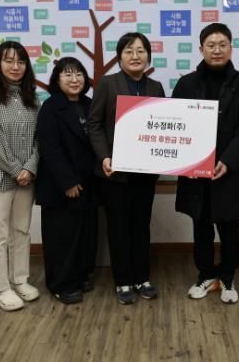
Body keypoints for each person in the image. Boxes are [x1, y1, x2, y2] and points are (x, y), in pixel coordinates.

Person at [172, 23, 239, 304]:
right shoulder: (186, 84)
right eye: (211, 45)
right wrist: (183, 160)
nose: (217, 50)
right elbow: (175, 124)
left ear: (231, 47)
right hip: (195, 171)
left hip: (229, 170)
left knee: (229, 226)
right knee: (200, 225)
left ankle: (228, 276)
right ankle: (206, 274)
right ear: (201, 49)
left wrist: (228, 159)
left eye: (222, 44)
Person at [88, 32, 166, 305]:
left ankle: (142, 277)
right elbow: (94, 124)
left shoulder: (155, 87)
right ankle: (122, 280)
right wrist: (104, 156)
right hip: (115, 173)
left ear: (148, 56)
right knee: (118, 227)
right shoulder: (107, 84)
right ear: (119, 57)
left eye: (141, 51)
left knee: (141, 226)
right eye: (129, 51)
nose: (135, 56)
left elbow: (162, 126)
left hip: (145, 173)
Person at [0, 41, 39, 311]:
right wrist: (15, 169)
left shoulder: (31, 98)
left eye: (21, 61)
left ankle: (19, 279)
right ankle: (0, 287)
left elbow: (39, 139)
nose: (15, 66)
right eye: (9, 60)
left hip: (26, 178)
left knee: (21, 230)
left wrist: (30, 167)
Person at [35, 57, 98, 305]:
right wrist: (67, 182)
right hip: (61, 187)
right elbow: (50, 149)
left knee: (83, 235)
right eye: (68, 75)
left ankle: (80, 276)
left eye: (79, 74)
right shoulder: (51, 107)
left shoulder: (89, 104)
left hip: (88, 184)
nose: (74, 79)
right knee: (61, 238)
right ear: (57, 80)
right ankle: (60, 284)